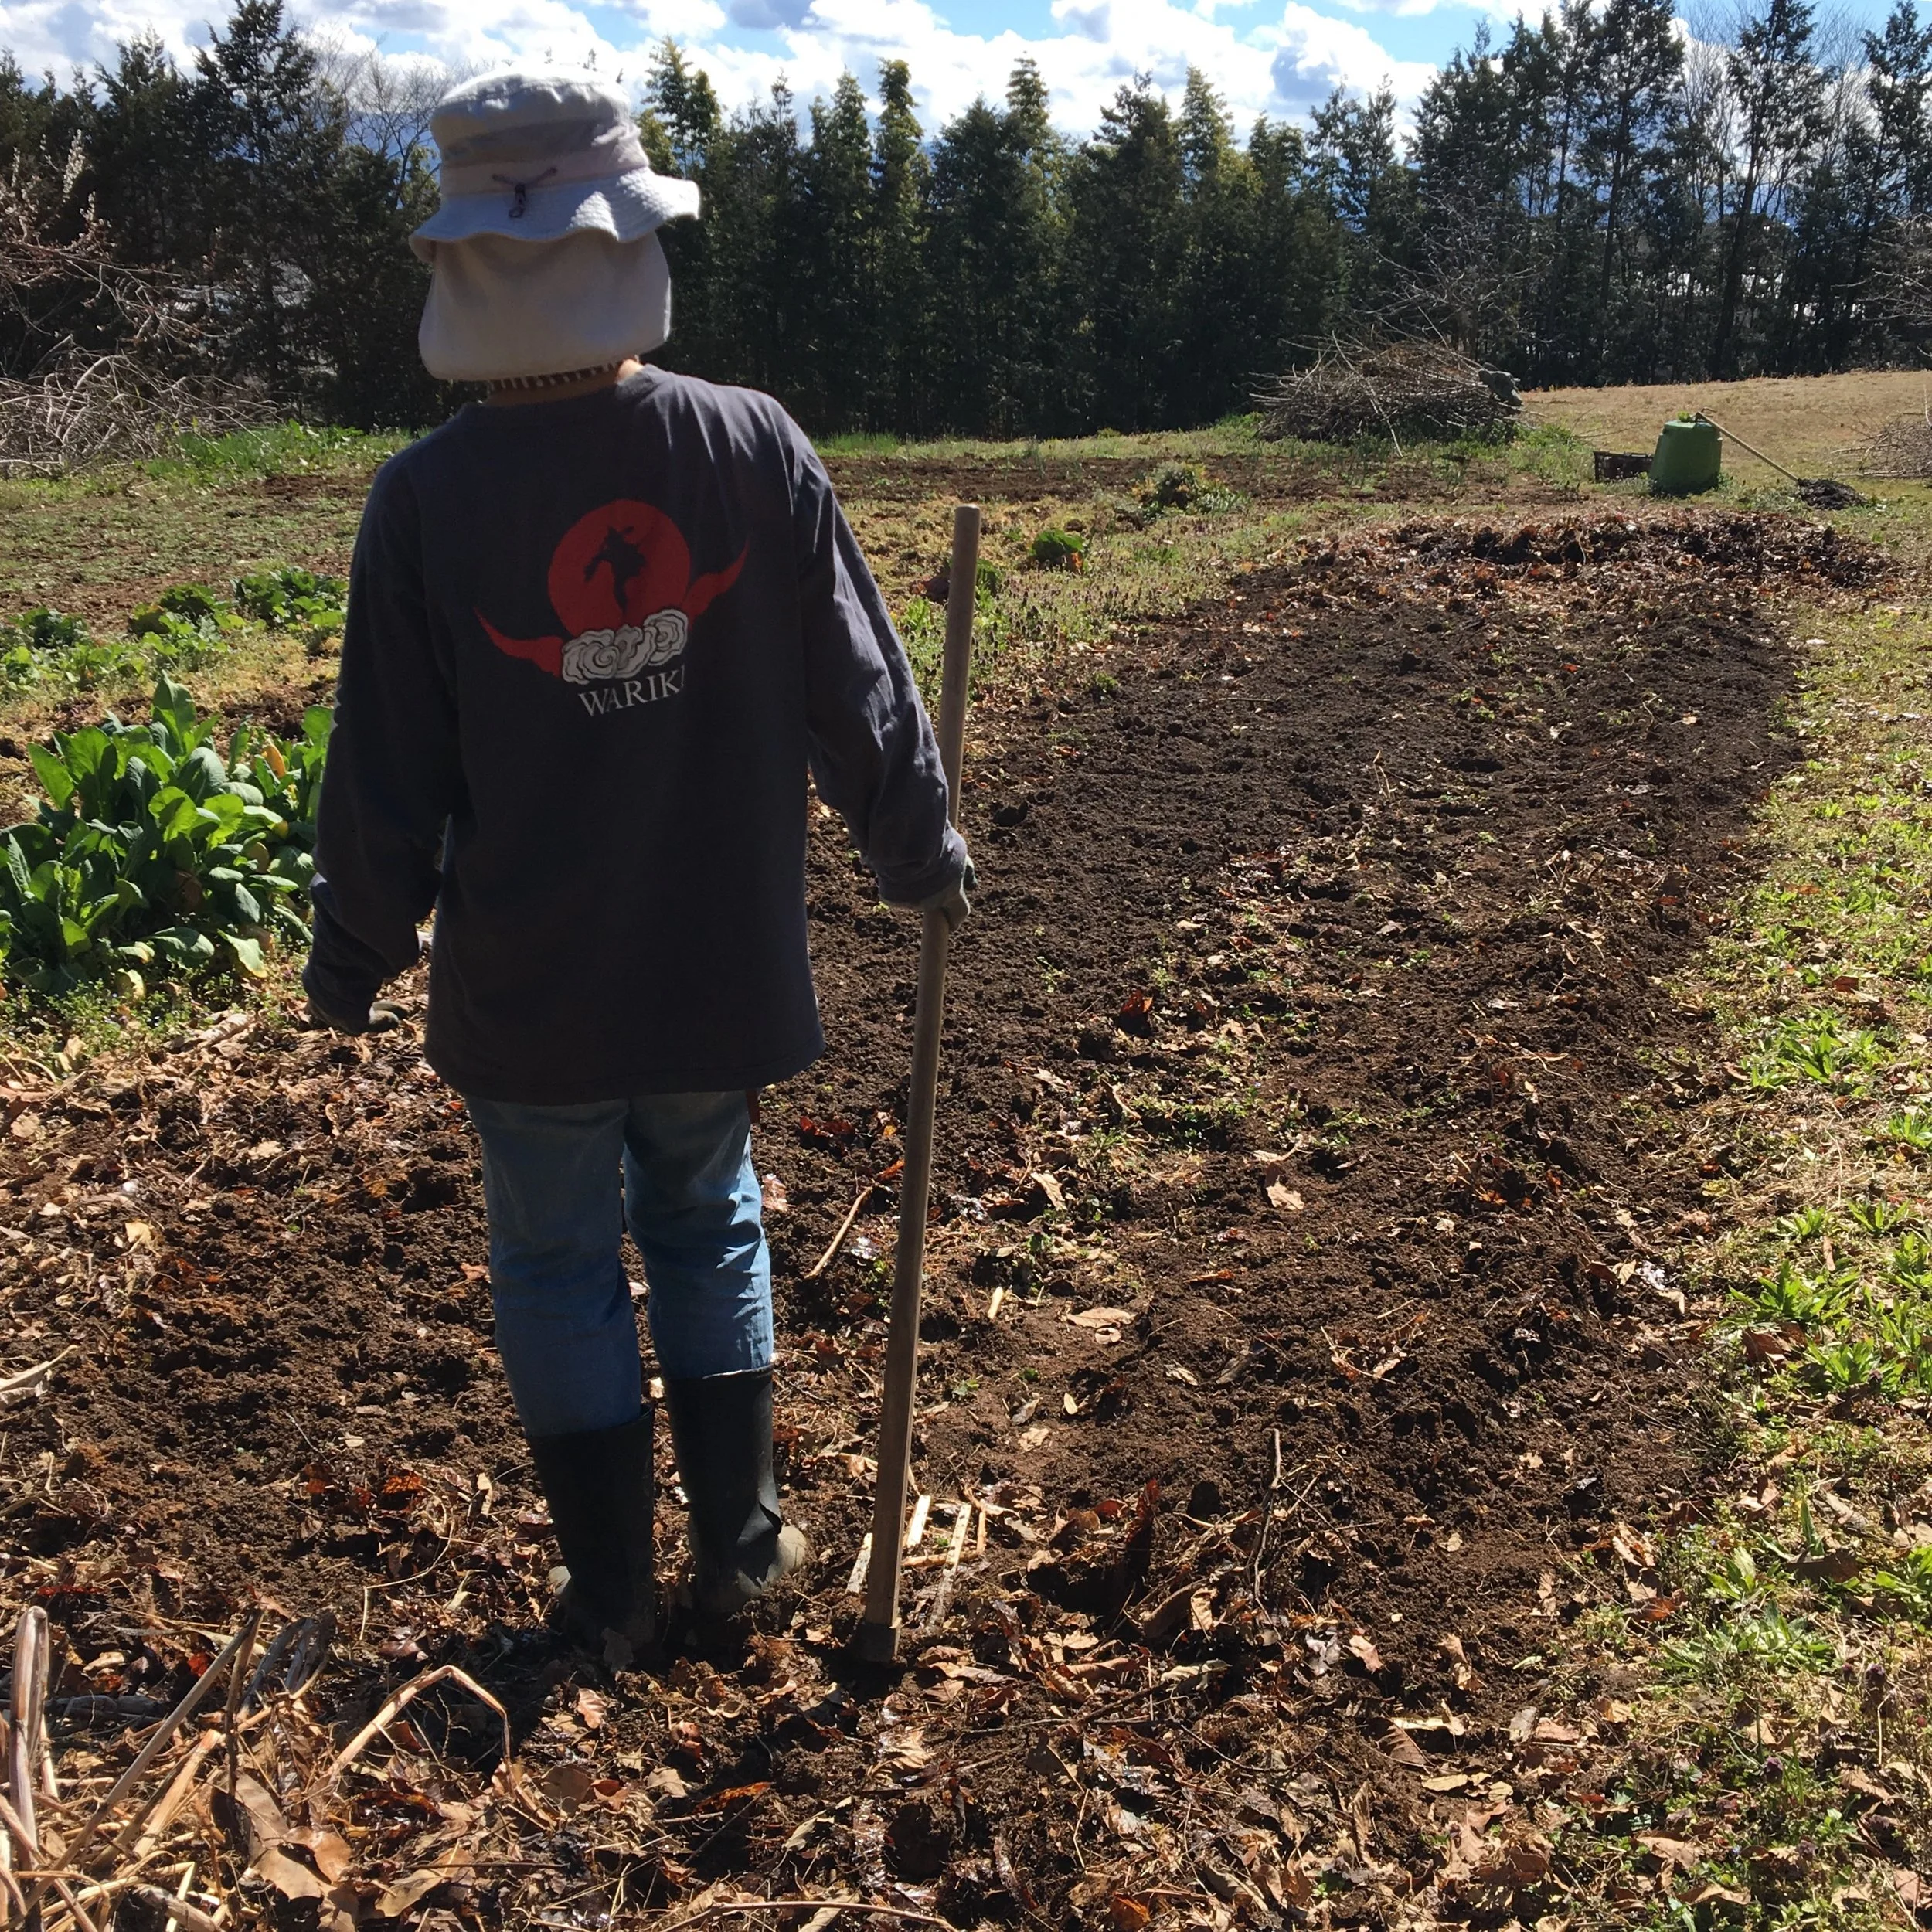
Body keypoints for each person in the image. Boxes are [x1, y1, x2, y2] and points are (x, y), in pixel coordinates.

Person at [301, 70, 971, 1662]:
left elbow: (385, 765)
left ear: (464, 270)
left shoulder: (427, 500)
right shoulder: (747, 445)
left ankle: (605, 1592)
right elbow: (855, 679)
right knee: (707, 1214)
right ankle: (736, 1549)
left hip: (531, 988)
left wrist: (355, 945)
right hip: (713, 953)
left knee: (550, 1252)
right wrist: (912, 836)